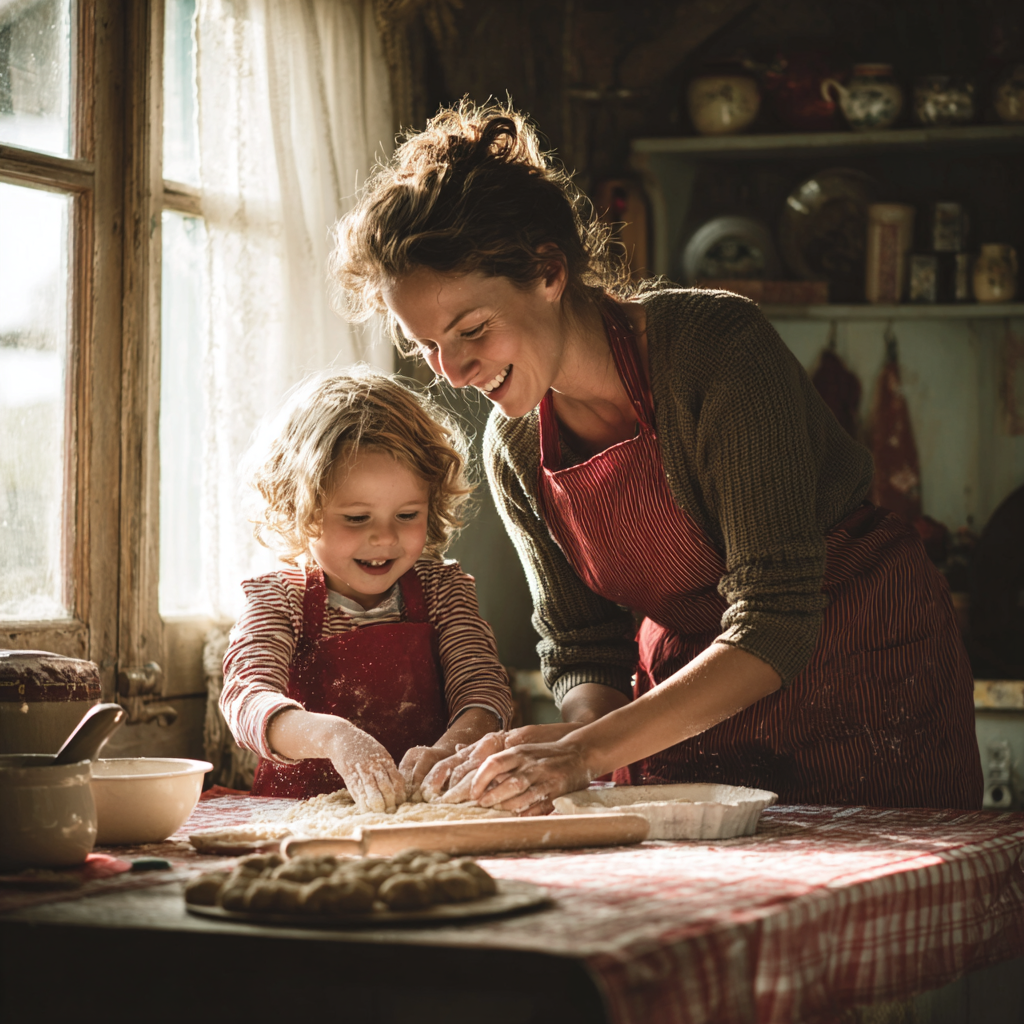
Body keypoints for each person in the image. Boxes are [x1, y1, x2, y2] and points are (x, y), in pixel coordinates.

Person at [328, 101, 983, 815]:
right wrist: (559, 742)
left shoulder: (714, 349)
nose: (450, 370)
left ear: (549, 273)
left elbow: (777, 619)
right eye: (424, 345)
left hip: (860, 667)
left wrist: (586, 751)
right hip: (680, 708)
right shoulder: (515, 446)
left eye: (471, 329)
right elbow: (583, 646)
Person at [220, 369, 514, 811]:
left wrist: (452, 749)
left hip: (424, 811)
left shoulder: (442, 590)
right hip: (299, 818)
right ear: (299, 509)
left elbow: (484, 691)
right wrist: (334, 737)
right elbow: (246, 697)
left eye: (408, 515)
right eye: (357, 518)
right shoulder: (279, 600)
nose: (384, 538)